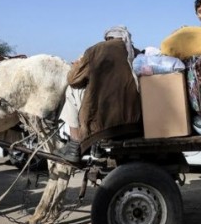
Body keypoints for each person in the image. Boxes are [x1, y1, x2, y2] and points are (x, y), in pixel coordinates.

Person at [55, 26, 142, 165]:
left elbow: (73, 79)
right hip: (136, 123)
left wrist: (77, 64)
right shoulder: (136, 52)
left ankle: (75, 143)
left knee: (72, 90)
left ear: (108, 38)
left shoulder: (96, 50)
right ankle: (95, 147)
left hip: (104, 124)